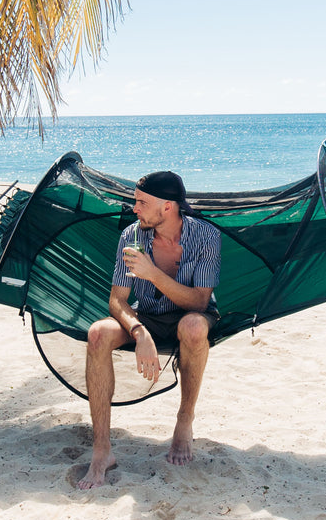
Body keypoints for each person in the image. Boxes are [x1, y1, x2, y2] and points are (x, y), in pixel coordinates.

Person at [78, 170, 221, 490]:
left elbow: (199, 300)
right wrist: (139, 332)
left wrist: (153, 274)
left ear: (168, 207)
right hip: (148, 317)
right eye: (135, 202)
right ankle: (102, 451)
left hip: (191, 315)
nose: (135, 208)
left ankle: (184, 421)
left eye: (142, 203)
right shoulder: (131, 236)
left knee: (195, 327)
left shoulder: (206, 237)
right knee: (97, 333)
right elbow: (117, 301)